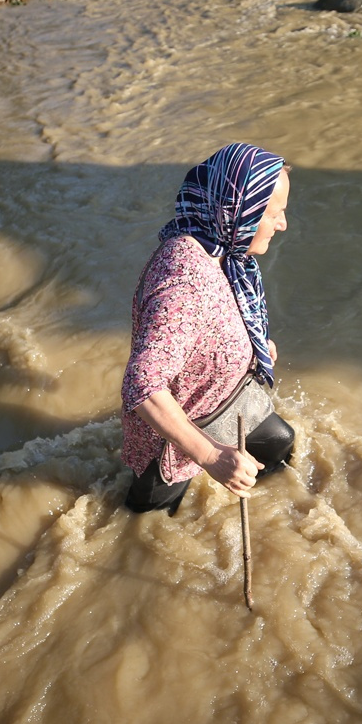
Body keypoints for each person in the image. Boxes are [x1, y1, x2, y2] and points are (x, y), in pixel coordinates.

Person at [120, 143, 296, 515]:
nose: (283, 224)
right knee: (149, 521)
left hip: (230, 402)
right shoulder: (184, 281)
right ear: (240, 212)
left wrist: (254, 344)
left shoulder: (222, 247)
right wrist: (213, 457)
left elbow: (215, 320)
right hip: (181, 436)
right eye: (275, 213)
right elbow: (142, 383)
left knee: (281, 443)